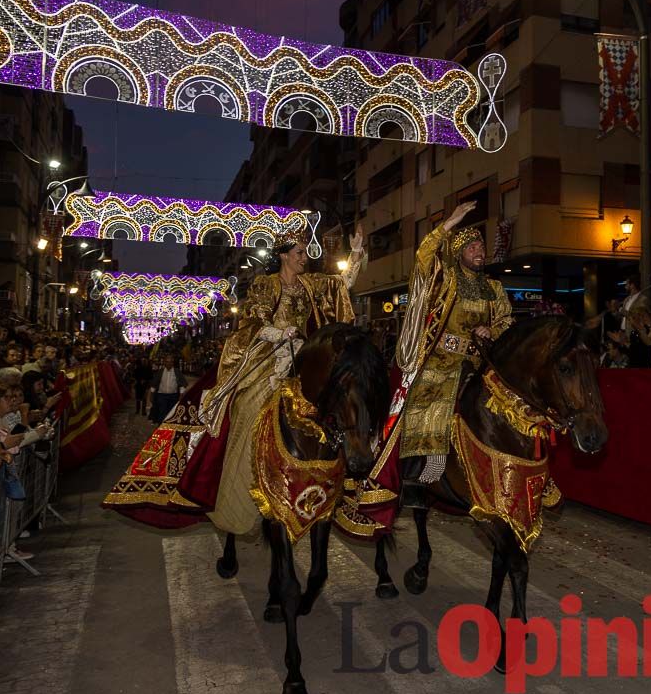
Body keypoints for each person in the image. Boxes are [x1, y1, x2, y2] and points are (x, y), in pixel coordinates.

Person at [182, 224, 366, 536]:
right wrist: (280, 333)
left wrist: (357, 252)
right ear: (283, 256)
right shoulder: (265, 285)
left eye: (305, 252)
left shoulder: (309, 283)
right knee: (247, 407)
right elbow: (255, 320)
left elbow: (342, 283)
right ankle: (238, 483)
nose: (304, 258)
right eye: (298, 253)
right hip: (270, 354)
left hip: (303, 354)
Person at [395, 201, 513, 502]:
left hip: (480, 360)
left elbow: (505, 320)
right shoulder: (445, 280)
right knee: (425, 395)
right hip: (442, 360)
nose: (479, 251)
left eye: (481, 246)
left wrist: (493, 331)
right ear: (459, 253)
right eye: (472, 246)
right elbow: (423, 257)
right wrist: (449, 223)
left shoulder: (494, 287)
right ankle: (426, 464)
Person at [148, 353, 187, 423]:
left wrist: (181, 395)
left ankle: (169, 430)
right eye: (167, 362)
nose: (169, 363)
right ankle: (161, 429)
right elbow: (154, 384)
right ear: (164, 362)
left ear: (173, 363)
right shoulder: (160, 372)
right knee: (162, 414)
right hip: (161, 396)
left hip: (173, 396)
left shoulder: (177, 372)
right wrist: (151, 395)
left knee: (171, 414)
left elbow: (182, 384)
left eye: (171, 362)